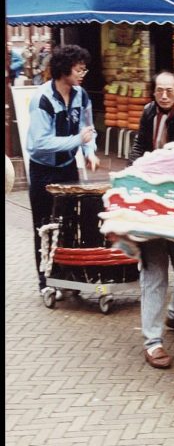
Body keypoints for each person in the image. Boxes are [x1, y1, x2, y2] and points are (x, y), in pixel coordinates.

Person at [128, 70, 174, 369]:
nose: (163, 95)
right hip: (150, 203)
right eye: (159, 90)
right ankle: (153, 342)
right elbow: (138, 146)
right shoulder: (148, 112)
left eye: (169, 90)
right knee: (154, 274)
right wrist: (133, 172)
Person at [27, 44, 99, 298]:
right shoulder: (42, 99)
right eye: (79, 69)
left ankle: (69, 278)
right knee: (44, 225)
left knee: (70, 223)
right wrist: (78, 141)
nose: (83, 73)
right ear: (63, 69)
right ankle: (45, 281)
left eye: (84, 69)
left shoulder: (81, 95)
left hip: (68, 166)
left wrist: (90, 151)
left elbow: (87, 128)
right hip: (44, 170)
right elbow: (40, 143)